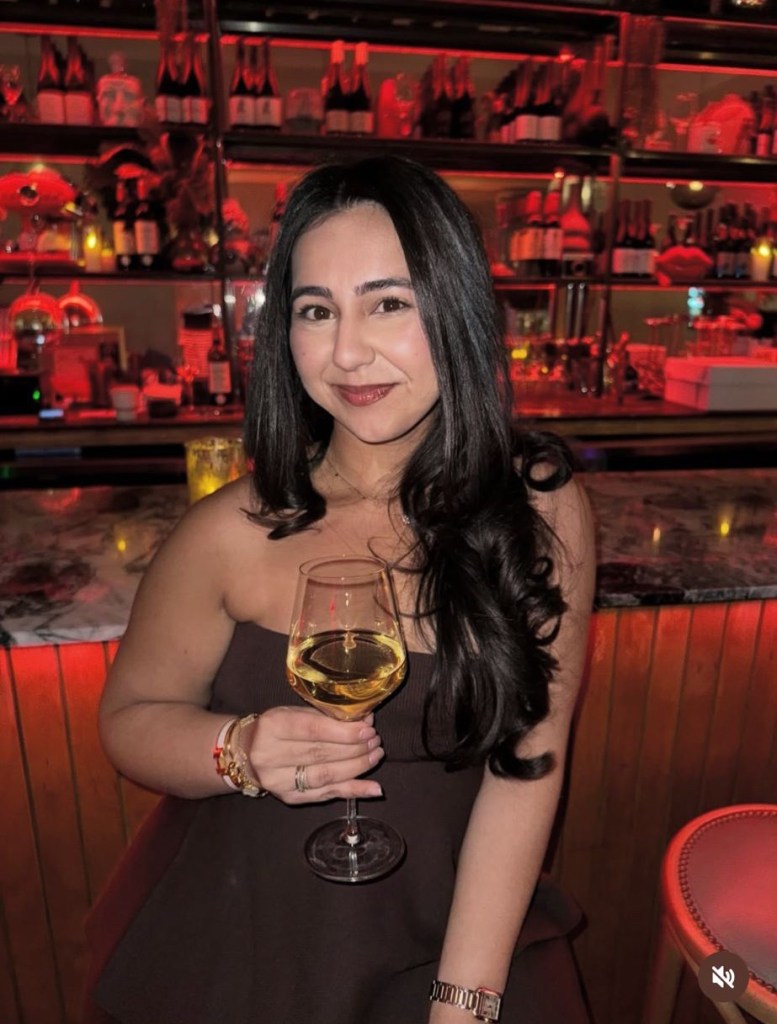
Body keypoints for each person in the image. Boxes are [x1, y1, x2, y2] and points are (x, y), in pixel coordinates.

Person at [85, 155, 595, 1024]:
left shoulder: (536, 503)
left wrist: (462, 1002)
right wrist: (237, 748)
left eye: (389, 303)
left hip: (456, 921)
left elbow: (528, 767)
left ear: (458, 308)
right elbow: (129, 720)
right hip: (248, 930)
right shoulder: (228, 530)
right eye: (315, 311)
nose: (347, 352)